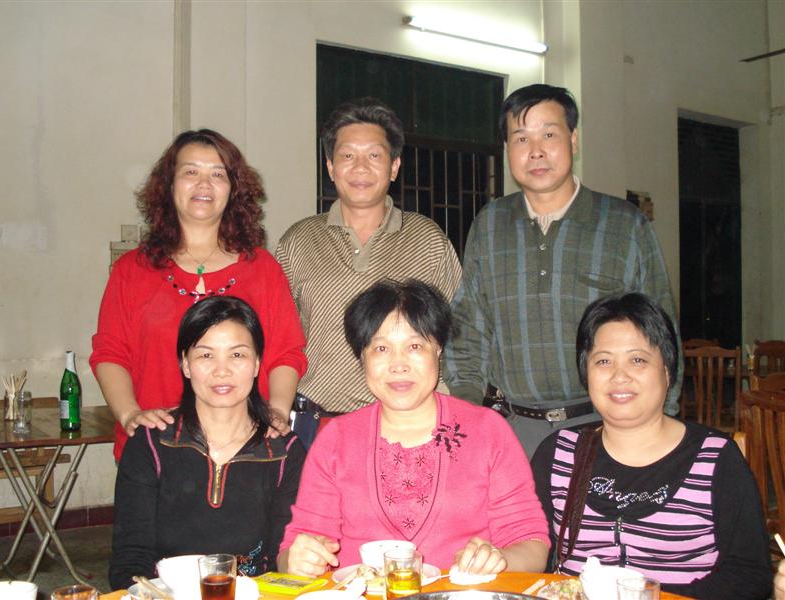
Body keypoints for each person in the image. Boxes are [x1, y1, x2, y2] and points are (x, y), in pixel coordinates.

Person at [443, 84, 680, 457]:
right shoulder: (490, 225)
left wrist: (664, 422)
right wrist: (469, 415)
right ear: (507, 148)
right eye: (521, 138)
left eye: (549, 135)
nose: (535, 150)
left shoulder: (623, 224)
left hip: (606, 427)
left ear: (573, 139)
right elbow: (468, 330)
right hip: (513, 430)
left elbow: (662, 332)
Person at [278, 280, 548, 577]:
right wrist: (298, 560)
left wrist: (500, 560)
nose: (399, 365)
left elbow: (530, 543)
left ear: (438, 349)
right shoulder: (336, 439)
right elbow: (295, 547)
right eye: (381, 348)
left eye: (415, 346)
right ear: (362, 356)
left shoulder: (487, 430)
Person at [530, 293, 772, 600]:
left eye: (638, 360)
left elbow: (750, 573)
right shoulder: (559, 453)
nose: (619, 376)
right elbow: (529, 546)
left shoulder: (714, 457)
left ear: (667, 372)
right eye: (603, 361)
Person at [91, 129, 307, 460]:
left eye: (218, 174)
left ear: (233, 190)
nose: (204, 184)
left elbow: (286, 353)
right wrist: (130, 414)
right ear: (169, 185)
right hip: (156, 448)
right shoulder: (131, 271)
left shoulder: (263, 269)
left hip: (247, 450)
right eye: (191, 172)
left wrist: (276, 411)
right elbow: (110, 353)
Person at [276, 98, 461, 448]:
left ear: (394, 167)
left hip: (410, 427)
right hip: (317, 425)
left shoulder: (428, 240)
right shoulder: (298, 241)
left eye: (374, 155)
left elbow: (458, 335)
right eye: (347, 155)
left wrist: (457, 413)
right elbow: (279, 341)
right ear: (330, 167)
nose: (360, 166)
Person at [109, 296, 306, 590]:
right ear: (185, 364)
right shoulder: (151, 444)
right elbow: (130, 561)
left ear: (256, 364)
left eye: (237, 355)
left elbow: (283, 554)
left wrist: (301, 561)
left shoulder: (284, 451)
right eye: (206, 355)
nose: (221, 370)